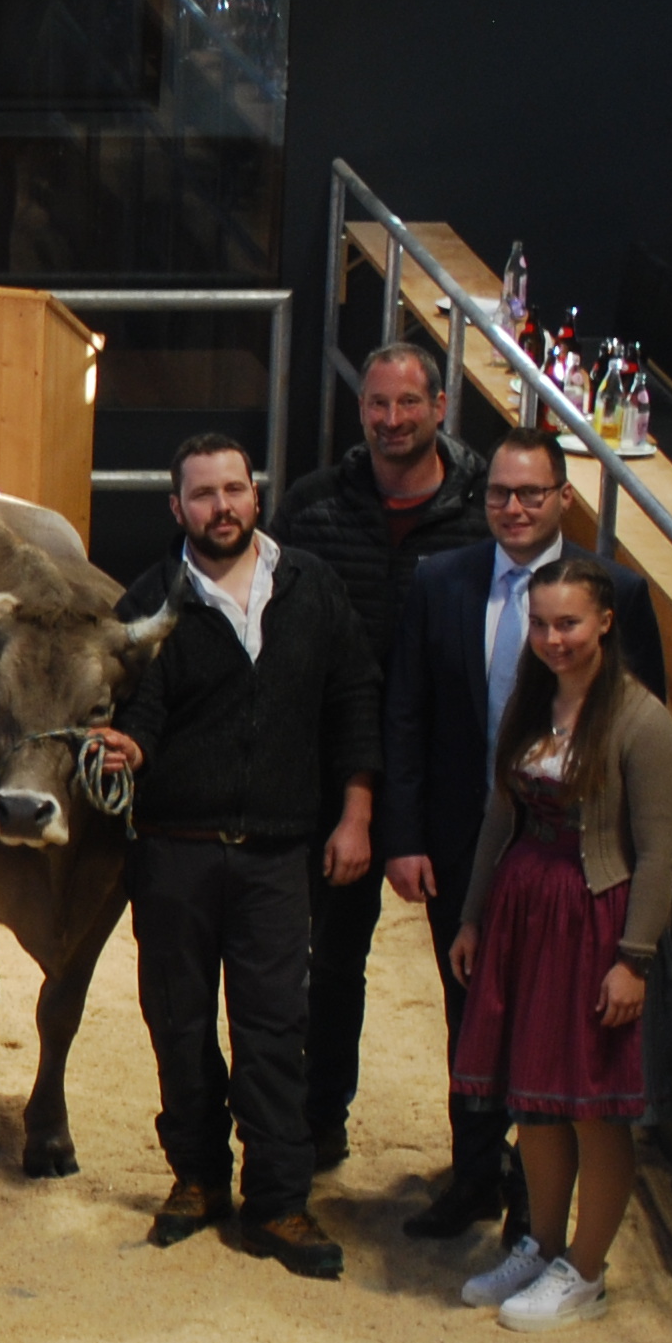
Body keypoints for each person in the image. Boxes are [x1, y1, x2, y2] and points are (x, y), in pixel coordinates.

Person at [96, 434, 383, 1279]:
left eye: (234, 489)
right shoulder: (148, 603)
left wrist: (357, 814)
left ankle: (279, 1201)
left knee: (274, 1029)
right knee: (178, 1024)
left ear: (256, 495)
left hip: (276, 855)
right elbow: (139, 709)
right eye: (202, 494)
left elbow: (354, 699)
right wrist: (133, 748)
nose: (221, 507)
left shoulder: (311, 586)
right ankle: (196, 1178)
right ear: (176, 508)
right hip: (174, 853)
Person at [381, 426, 667, 1240]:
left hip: (578, 867)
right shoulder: (440, 579)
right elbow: (407, 712)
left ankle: (536, 1213)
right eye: (499, 493)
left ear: (564, 499)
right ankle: (475, 1176)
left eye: (531, 493)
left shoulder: (620, 594)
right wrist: (404, 834)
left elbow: (645, 746)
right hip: (466, 846)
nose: (512, 507)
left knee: (554, 1039)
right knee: (472, 1017)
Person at [447, 557, 672, 1329]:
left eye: (570, 624)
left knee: (591, 1104)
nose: (554, 639)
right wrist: (473, 916)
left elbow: (660, 853)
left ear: (605, 622)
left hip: (593, 919)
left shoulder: (643, 722)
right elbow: (499, 818)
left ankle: (585, 1269)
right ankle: (541, 1243)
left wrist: (633, 960)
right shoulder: (532, 700)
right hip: (525, 912)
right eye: (543, 624)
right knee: (535, 1097)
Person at [275, 344, 493, 1173]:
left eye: (407, 404)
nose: (391, 420)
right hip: (339, 773)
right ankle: (319, 1120)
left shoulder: (485, 510)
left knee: (470, 967)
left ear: (439, 407)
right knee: (330, 961)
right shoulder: (312, 506)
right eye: (377, 404)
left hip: (455, 778)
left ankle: (478, 1155)